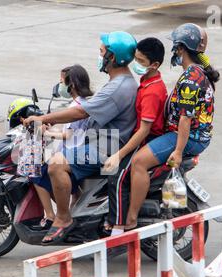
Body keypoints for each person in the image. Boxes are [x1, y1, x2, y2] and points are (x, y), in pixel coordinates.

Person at [24, 31, 138, 245]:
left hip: (106, 145)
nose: (99, 55)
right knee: (57, 156)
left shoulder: (118, 87)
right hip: (100, 140)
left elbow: (80, 113)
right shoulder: (120, 82)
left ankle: (63, 218)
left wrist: (41, 118)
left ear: (112, 57)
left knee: (56, 165)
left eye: (102, 52)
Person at [125, 23, 220, 230]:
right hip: (190, 135)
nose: (174, 51)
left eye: (176, 47)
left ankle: (130, 220)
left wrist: (177, 152)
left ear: (181, 48)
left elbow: (186, 119)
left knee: (139, 162)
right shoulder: (196, 72)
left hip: (188, 138)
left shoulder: (191, 80)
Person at [103, 37, 167, 236]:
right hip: (139, 136)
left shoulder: (152, 92)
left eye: (141, 62)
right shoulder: (146, 81)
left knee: (118, 176)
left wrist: (119, 155)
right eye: (136, 59)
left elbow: (144, 130)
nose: (136, 65)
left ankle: (122, 225)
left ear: (154, 65)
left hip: (146, 139)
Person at [31, 64, 93, 230]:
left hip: (73, 154)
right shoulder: (83, 103)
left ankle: (51, 215)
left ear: (71, 85)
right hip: (75, 151)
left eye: (62, 82)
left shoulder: (76, 107)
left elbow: (69, 135)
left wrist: (47, 134)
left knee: (35, 174)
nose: (60, 86)